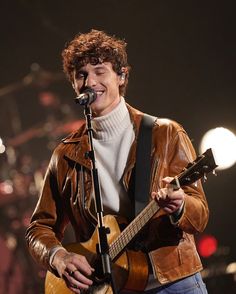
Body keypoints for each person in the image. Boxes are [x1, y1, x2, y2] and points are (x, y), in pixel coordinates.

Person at [26, 29, 209, 293]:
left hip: (173, 283)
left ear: (121, 76)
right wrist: (58, 256)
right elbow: (39, 228)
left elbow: (200, 214)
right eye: (81, 74)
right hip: (111, 287)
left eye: (100, 71)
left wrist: (181, 206)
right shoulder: (64, 156)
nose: (90, 81)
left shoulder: (164, 134)